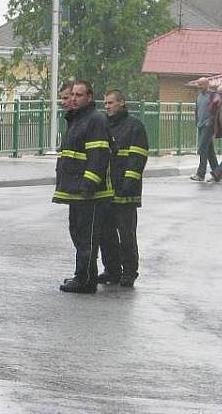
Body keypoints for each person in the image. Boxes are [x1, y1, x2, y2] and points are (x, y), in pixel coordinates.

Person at [53, 80, 113, 293]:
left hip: (89, 193)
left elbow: (98, 155)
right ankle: (83, 275)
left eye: (79, 95)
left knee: (87, 238)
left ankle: (85, 279)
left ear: (89, 97)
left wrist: (88, 185)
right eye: (73, 95)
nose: (74, 98)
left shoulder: (95, 119)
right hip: (77, 191)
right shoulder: (78, 119)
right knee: (78, 234)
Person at [99, 89, 148, 288]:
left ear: (122, 103)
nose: (107, 107)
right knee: (106, 234)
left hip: (126, 192)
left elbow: (138, 157)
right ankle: (112, 270)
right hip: (107, 191)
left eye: (111, 103)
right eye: (105, 103)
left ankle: (129, 272)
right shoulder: (103, 125)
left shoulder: (134, 126)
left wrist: (129, 184)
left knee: (127, 235)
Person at [190, 77, 218, 182]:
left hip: (208, 126)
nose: (199, 87)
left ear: (207, 85)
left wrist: (210, 121)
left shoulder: (213, 95)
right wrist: (197, 122)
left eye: (201, 85)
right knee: (210, 151)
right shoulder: (199, 96)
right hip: (201, 125)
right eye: (198, 85)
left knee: (202, 148)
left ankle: (200, 174)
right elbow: (197, 110)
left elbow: (216, 110)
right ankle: (217, 173)